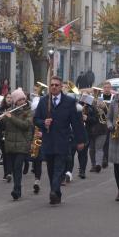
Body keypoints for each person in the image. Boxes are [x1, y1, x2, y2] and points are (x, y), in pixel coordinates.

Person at [33, 76, 86, 205]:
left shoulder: (69, 102)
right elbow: (36, 119)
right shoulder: (44, 101)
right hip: (48, 140)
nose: (54, 87)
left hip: (63, 140)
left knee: (59, 168)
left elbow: (76, 123)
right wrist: (43, 122)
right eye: (52, 85)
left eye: (57, 85)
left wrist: (80, 140)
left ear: (61, 86)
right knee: (51, 169)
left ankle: (53, 191)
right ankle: (56, 192)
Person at [0, 89, 33, 200]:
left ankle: (16, 190)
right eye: (19, 100)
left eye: (23, 99)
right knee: (14, 169)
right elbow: (2, 124)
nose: (22, 101)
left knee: (18, 168)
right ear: (15, 101)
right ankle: (17, 188)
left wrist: (11, 117)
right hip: (10, 145)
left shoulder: (28, 112)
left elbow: (25, 125)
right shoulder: (10, 111)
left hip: (22, 145)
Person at [85, 96, 108, 173]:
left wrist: (103, 107)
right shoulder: (88, 107)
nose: (96, 102)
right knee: (92, 149)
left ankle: (98, 165)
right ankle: (93, 165)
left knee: (99, 148)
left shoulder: (103, 107)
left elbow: (106, 115)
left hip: (101, 131)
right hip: (91, 131)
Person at [0, 93, 13, 182]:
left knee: (10, 154)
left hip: (11, 134)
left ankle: (10, 172)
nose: (9, 99)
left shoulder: (14, 109)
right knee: (5, 155)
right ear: (5, 99)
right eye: (8, 97)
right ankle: (6, 173)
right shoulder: (0, 110)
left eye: (11, 98)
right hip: (2, 134)